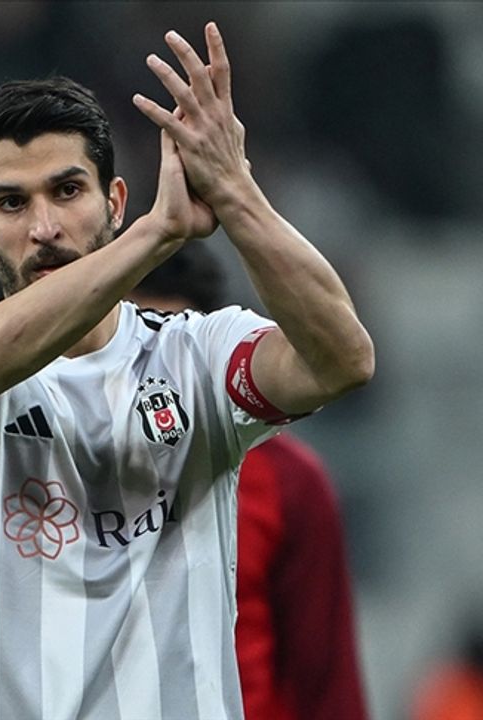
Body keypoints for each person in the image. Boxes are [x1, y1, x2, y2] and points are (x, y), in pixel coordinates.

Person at [0, 23, 373, 718]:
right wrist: (156, 232)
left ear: (113, 201)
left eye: (67, 190)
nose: (44, 227)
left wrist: (235, 192)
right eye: (11, 203)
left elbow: (343, 359)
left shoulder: (195, 354)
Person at [127, 243, 370, 719]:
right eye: (136, 353)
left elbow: (324, 678)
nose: (154, 378)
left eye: (170, 354)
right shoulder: (50, 466)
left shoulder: (289, 481)